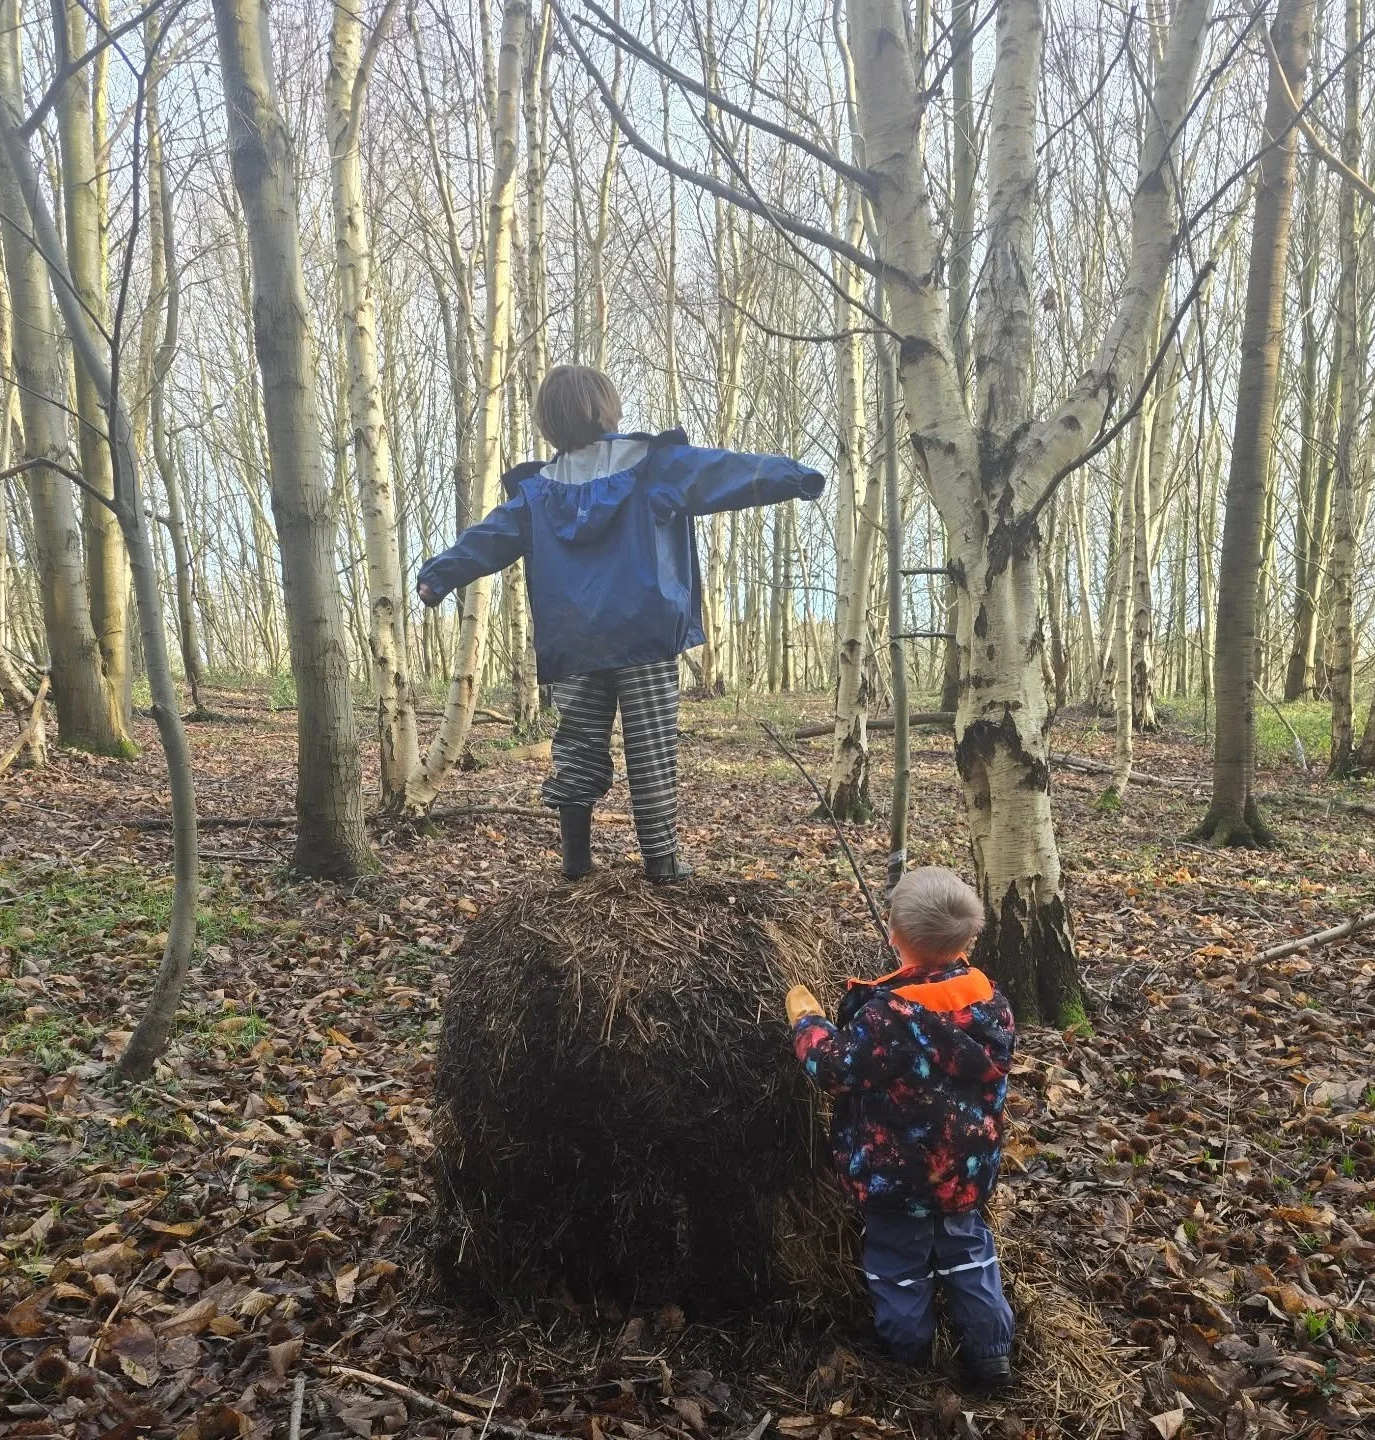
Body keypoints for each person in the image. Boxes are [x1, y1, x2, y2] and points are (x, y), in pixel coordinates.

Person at [417, 366, 824, 883]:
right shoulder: (654, 466)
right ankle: (662, 862)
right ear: (606, 409)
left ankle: (576, 862)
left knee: (578, 746)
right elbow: (725, 471)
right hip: (644, 636)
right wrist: (795, 476)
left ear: (549, 422)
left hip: (574, 643)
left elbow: (487, 539)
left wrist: (438, 577)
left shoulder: (537, 493)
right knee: (649, 745)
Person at [784, 868, 1016, 1388]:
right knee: (969, 1255)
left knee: (897, 1262)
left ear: (893, 933)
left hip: (896, 1178)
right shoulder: (991, 1001)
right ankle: (991, 1355)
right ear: (969, 939)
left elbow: (834, 1068)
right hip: (965, 1171)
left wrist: (808, 1023)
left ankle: (907, 1356)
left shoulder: (887, 1015)